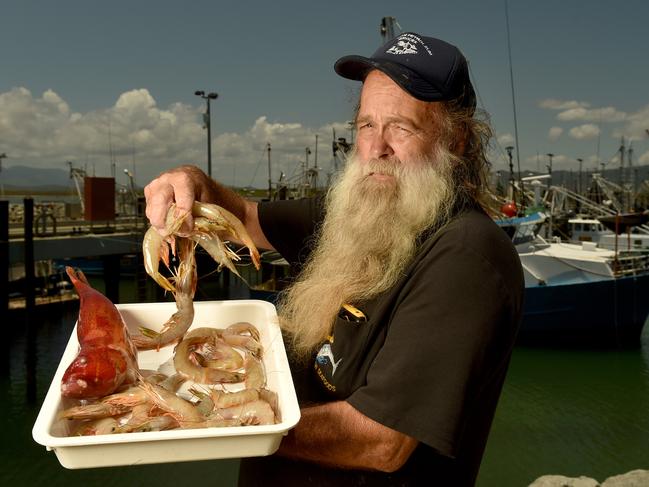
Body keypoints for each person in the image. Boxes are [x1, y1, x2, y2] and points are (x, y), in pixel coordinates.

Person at [145, 32, 524, 487]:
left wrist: (209, 422)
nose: (377, 148)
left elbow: (380, 440)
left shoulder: (467, 258)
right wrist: (190, 181)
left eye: (401, 127)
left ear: (457, 140)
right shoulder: (360, 213)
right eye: (366, 126)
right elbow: (242, 216)